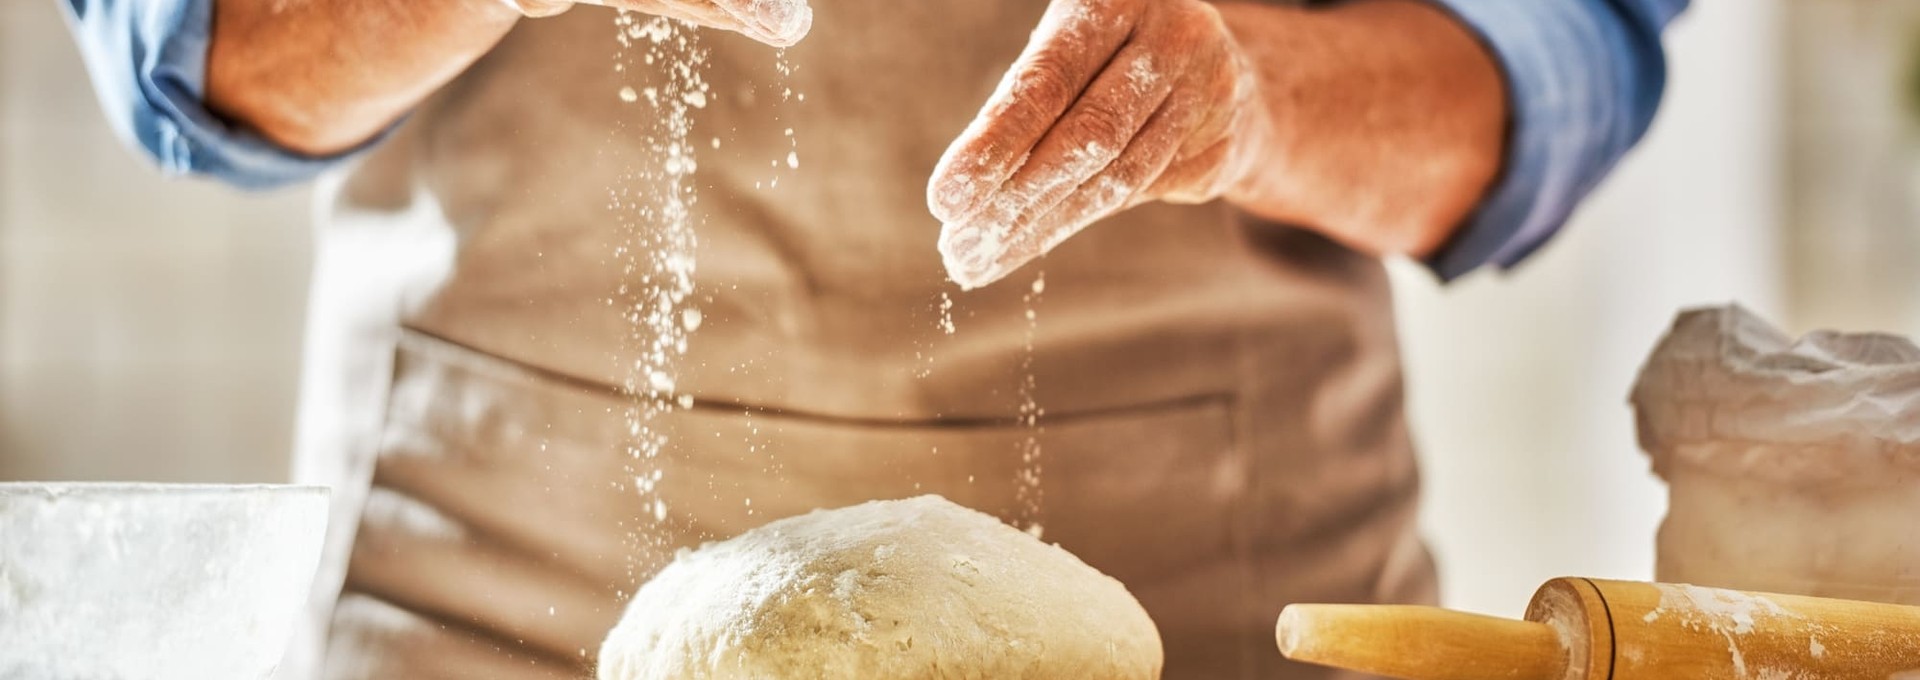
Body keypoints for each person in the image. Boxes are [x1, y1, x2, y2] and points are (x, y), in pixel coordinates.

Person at [62, 0, 1686, 677]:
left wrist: (1256, 100)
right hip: (494, 592)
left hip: (1210, 585)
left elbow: (1564, 55)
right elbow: (186, 52)